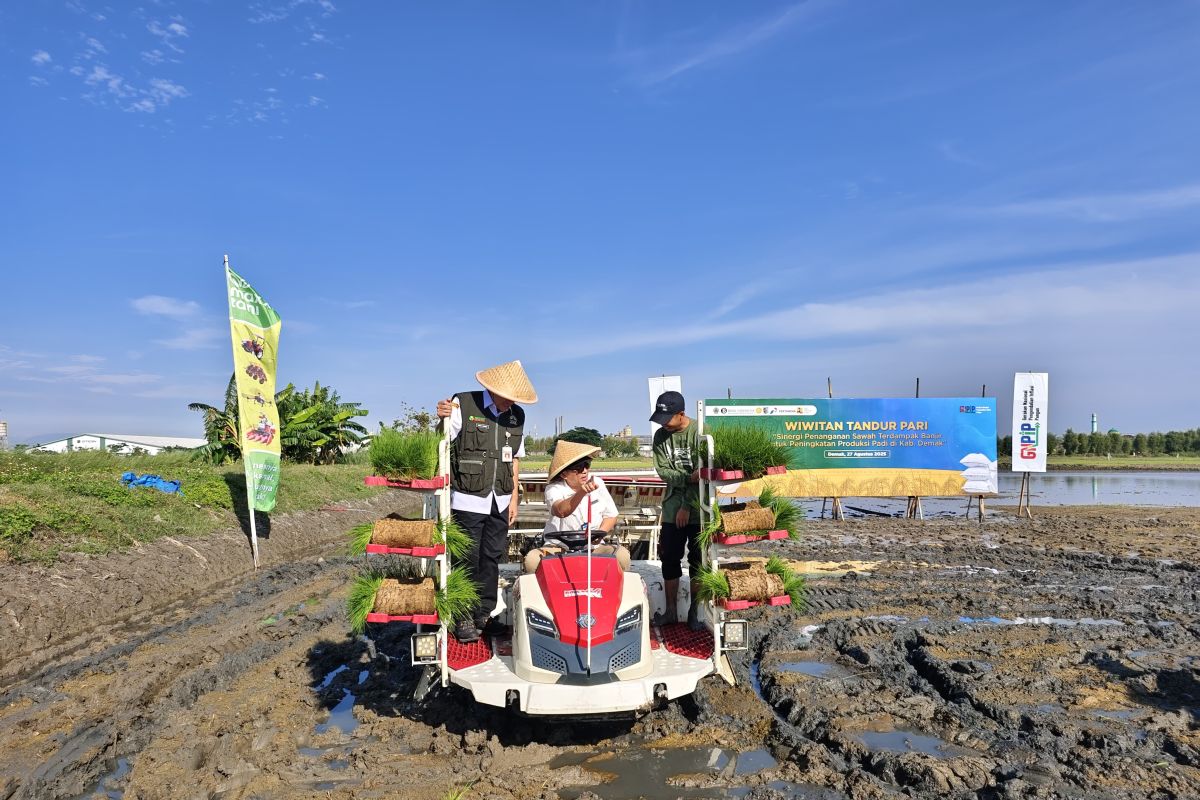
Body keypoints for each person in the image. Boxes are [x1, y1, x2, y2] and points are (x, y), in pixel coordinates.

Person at [436, 359, 537, 643]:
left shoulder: (516, 416)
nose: (512, 403)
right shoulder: (463, 404)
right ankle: (463, 615)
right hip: (467, 498)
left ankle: (483, 613)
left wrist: (514, 499)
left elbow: (514, 459)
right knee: (467, 558)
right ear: (494, 390)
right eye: (509, 397)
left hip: (500, 499)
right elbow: (442, 440)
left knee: (492, 557)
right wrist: (441, 418)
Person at [524, 441, 630, 573]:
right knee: (532, 561)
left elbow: (611, 515)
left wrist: (600, 534)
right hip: (558, 547)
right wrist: (582, 492)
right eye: (578, 468)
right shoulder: (554, 489)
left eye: (587, 465)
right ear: (564, 474)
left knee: (622, 556)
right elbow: (561, 511)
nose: (585, 471)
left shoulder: (598, 483)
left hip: (594, 547)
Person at [649, 390, 704, 630]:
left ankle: (695, 612)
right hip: (671, 508)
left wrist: (687, 506)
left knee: (698, 559)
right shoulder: (660, 436)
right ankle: (671, 611)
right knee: (669, 558)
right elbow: (664, 472)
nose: (663, 424)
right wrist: (688, 478)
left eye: (667, 419)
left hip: (699, 508)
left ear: (681, 414)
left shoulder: (700, 433)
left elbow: (703, 475)